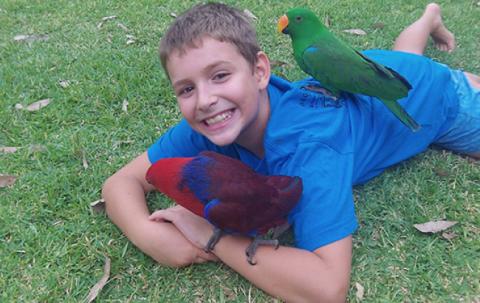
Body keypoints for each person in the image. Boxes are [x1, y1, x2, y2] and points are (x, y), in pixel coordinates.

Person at [102, 2, 479, 302]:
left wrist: (211, 235)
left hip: (438, 99)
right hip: (363, 73)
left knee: (428, 74)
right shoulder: (212, 122)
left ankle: (444, 47)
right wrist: (142, 231)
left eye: (220, 76)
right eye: (186, 89)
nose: (205, 100)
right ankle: (429, 16)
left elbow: (326, 287)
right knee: (396, 61)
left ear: (261, 71)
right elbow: (121, 182)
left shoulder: (309, 144)